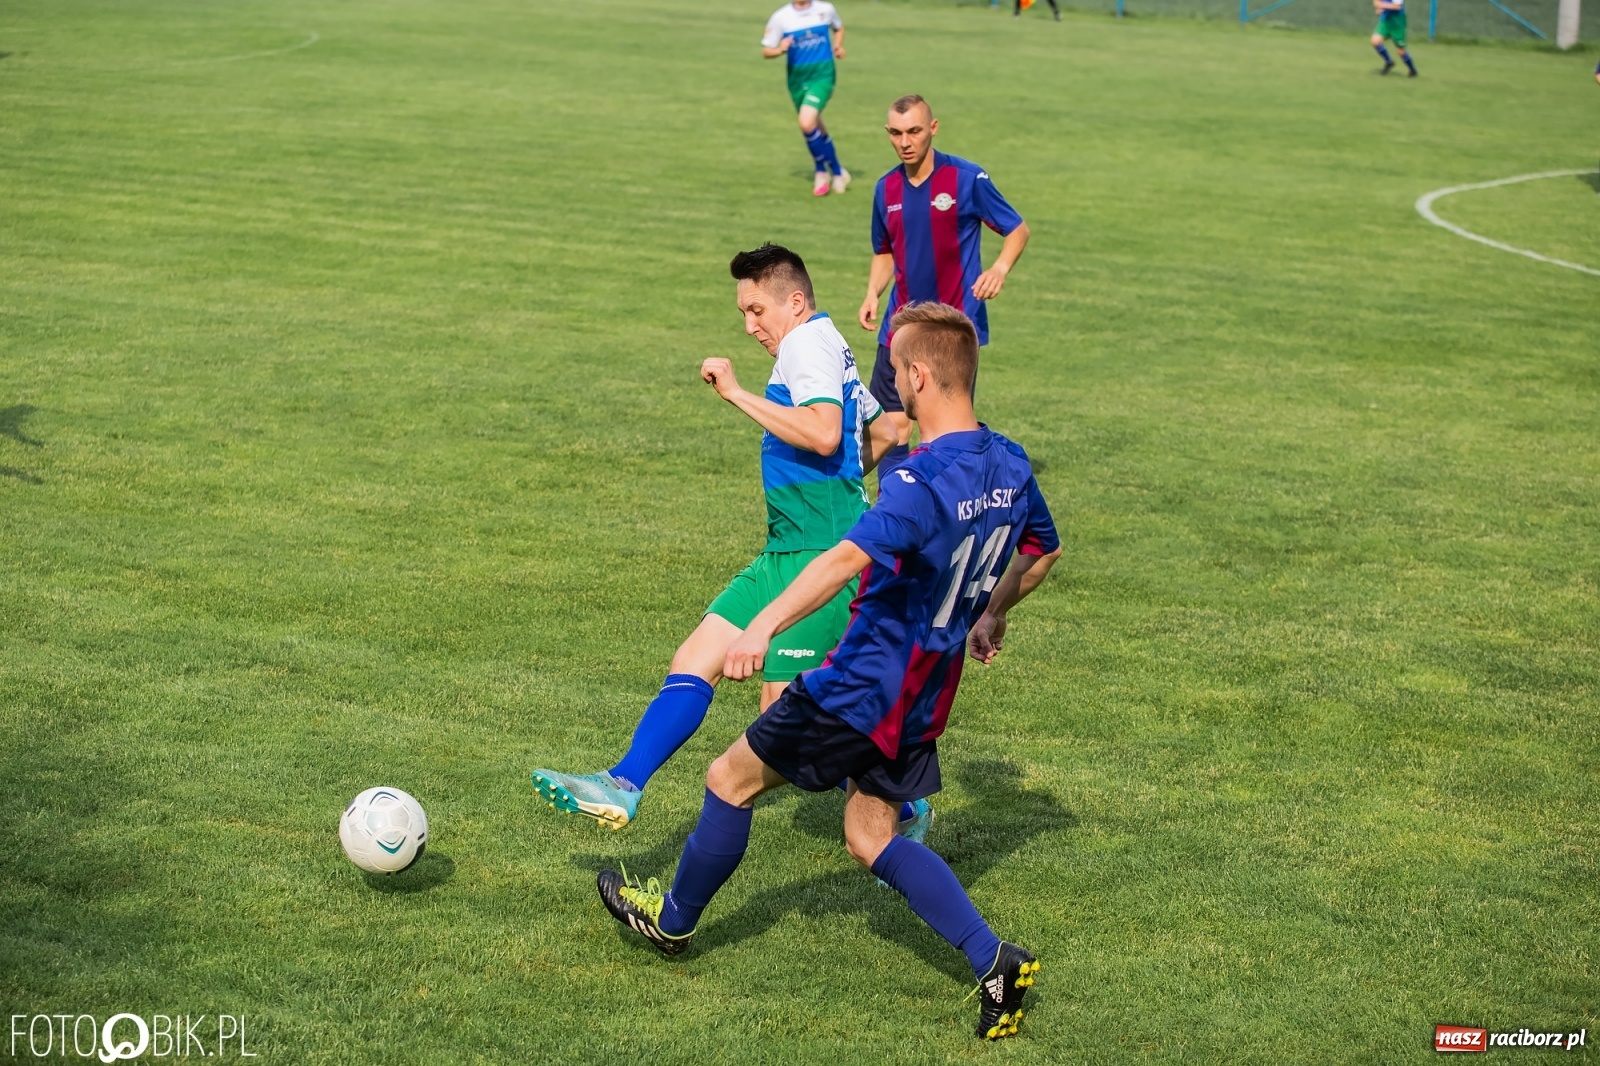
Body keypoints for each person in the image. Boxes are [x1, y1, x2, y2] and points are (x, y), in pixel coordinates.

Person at [596, 302, 1063, 1041]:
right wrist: (994, 609)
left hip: (859, 688)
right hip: (926, 696)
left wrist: (762, 623)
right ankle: (994, 958)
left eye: (897, 371)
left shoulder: (919, 480)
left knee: (729, 779)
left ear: (917, 375)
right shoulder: (1010, 460)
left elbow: (844, 558)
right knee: (870, 834)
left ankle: (672, 924)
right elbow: (1043, 549)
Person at [531, 244, 919, 835]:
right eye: (743, 313)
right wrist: (843, 475)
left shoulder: (805, 344)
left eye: (757, 309)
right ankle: (623, 784)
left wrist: (737, 395)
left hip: (820, 555)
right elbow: (888, 428)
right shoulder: (828, 342)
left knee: (783, 718)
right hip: (784, 548)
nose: (750, 325)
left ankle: (904, 803)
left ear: (794, 300)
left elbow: (821, 434)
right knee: (695, 659)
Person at [858, 95, 1031, 481]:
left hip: (952, 331)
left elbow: (1017, 229)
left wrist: (999, 269)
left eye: (914, 131)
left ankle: (954, 510)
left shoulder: (967, 179)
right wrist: (873, 291)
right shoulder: (885, 189)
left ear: (932, 129)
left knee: (943, 432)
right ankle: (895, 515)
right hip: (899, 328)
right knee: (891, 430)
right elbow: (884, 251)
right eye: (896, 133)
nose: (905, 142)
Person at [762, 0, 851, 197]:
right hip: (797, 80)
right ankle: (837, 171)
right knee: (815, 126)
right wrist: (780, 49)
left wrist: (838, 46)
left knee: (806, 122)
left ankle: (821, 171)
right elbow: (766, 50)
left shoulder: (825, 9)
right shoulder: (781, 17)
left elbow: (839, 27)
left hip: (823, 75)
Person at [1371, 0, 1418, 77]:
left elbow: (1397, 7)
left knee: (1401, 51)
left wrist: (1382, 5)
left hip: (1398, 23)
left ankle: (1413, 71)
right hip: (1386, 20)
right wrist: (1378, 8)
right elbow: (1377, 2)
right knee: (1375, 41)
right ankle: (1389, 62)